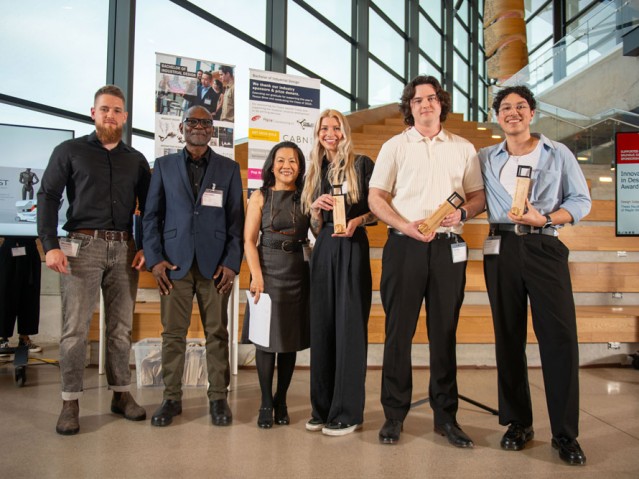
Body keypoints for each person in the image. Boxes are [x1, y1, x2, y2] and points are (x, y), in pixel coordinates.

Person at [368, 75, 485, 447]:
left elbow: (478, 197)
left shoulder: (464, 147)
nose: (425, 104)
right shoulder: (394, 146)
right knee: (398, 333)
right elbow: (376, 197)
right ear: (410, 107)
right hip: (405, 246)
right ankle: (394, 415)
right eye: (417, 100)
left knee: (444, 333)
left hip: (448, 247)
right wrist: (405, 224)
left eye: (431, 98)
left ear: (441, 103)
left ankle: (446, 417)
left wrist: (462, 215)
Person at [478, 85, 590, 465]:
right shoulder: (486, 157)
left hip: (544, 244)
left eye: (520, 107)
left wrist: (545, 218)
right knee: (508, 338)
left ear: (532, 113)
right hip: (501, 248)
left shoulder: (557, 153)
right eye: (505, 107)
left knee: (559, 340)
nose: (513, 113)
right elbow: (474, 196)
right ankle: (517, 423)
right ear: (497, 117)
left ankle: (565, 434)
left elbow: (581, 201)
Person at [37, 84, 151, 435]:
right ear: (93, 113)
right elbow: (48, 196)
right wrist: (50, 244)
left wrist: (146, 245)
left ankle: (120, 394)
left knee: (120, 330)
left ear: (125, 117)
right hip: (80, 247)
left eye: (117, 110)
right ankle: (70, 402)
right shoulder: (69, 151)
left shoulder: (136, 160)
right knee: (74, 331)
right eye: (104, 109)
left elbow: (149, 209)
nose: (110, 116)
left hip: (124, 250)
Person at [143, 105, 244, 428]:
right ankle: (171, 398)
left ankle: (218, 399)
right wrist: (155, 259)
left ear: (212, 130)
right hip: (174, 264)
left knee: (217, 332)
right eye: (192, 122)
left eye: (205, 122)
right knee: (173, 334)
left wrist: (231, 263)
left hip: (215, 267)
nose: (198, 127)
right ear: (182, 127)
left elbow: (236, 223)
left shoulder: (228, 169)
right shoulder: (163, 166)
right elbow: (151, 217)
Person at [301, 109, 376, 436]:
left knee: (349, 329)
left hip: (352, 247)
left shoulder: (362, 165)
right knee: (323, 328)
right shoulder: (315, 171)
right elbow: (314, 228)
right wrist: (316, 211)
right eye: (324, 128)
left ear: (344, 131)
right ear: (317, 133)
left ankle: (347, 412)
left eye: (335, 127)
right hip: (324, 250)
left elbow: (378, 209)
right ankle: (322, 407)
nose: (329, 133)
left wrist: (358, 220)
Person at [242, 141, 310, 428]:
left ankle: (282, 399)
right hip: (267, 270)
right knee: (265, 341)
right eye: (281, 160)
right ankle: (265, 402)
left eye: (293, 161)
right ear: (271, 164)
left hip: (298, 270)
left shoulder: (307, 195)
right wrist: (256, 275)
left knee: (289, 342)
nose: (287, 166)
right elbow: (248, 240)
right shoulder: (259, 195)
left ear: (300, 166)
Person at [0, 237, 42, 353]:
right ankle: (2, 339)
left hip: (30, 248)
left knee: (30, 295)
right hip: (9, 247)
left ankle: (24, 338)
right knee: (4, 295)